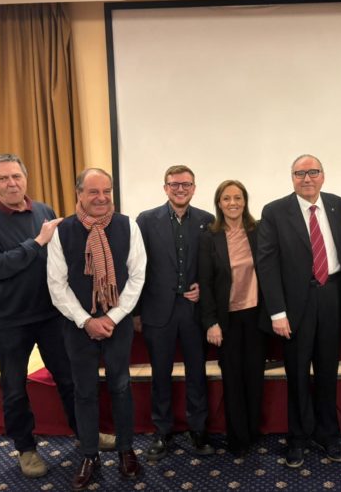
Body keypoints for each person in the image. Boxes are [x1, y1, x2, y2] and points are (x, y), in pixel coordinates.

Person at [0, 154, 109, 479]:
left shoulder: (43, 211)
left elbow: (59, 261)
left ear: (25, 178)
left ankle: (86, 434)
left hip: (49, 316)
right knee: (14, 388)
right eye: (3, 178)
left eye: (16, 176)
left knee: (69, 380)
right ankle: (26, 449)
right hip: (6, 321)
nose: (11, 183)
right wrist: (37, 242)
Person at [47, 168, 146, 490]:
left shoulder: (128, 226)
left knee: (121, 386)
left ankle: (126, 449)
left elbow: (137, 276)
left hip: (118, 323)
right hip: (78, 326)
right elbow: (56, 284)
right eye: (93, 192)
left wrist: (112, 317)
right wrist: (86, 320)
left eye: (107, 191)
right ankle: (89, 454)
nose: (102, 198)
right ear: (79, 194)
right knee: (84, 391)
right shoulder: (62, 231)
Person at [256, 154, 341, 468]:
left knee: (327, 372)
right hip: (296, 304)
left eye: (313, 172)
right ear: (292, 177)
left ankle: (328, 434)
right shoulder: (274, 211)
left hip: (332, 297)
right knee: (297, 374)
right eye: (300, 173)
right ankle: (297, 438)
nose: (307, 178)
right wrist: (277, 312)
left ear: (323, 175)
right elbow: (267, 264)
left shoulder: (337, 205)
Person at [135, 165, 215, 460]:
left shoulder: (208, 221)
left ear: (194, 188)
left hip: (193, 311)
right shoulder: (146, 220)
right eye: (174, 184)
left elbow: (214, 266)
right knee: (160, 374)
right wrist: (136, 312)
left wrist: (203, 289)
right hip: (157, 311)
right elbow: (136, 268)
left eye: (186, 184)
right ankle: (162, 431)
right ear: (165, 187)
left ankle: (198, 430)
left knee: (197, 373)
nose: (180, 189)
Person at [199, 180, 267, 457]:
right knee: (233, 379)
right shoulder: (209, 236)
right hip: (226, 319)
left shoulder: (258, 231)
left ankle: (253, 432)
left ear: (245, 201)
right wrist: (211, 322)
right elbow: (205, 282)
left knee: (254, 376)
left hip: (256, 315)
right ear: (219, 203)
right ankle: (237, 438)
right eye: (226, 198)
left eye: (237, 198)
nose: (232, 203)